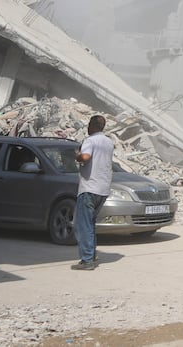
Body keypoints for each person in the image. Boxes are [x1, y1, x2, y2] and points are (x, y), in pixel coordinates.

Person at [73, 114, 114, 270]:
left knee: (82, 225)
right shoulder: (109, 142)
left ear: (92, 125)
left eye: (89, 124)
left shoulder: (90, 141)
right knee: (89, 223)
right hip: (103, 189)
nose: (87, 127)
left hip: (89, 188)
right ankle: (92, 254)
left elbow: (85, 157)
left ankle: (87, 260)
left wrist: (77, 156)